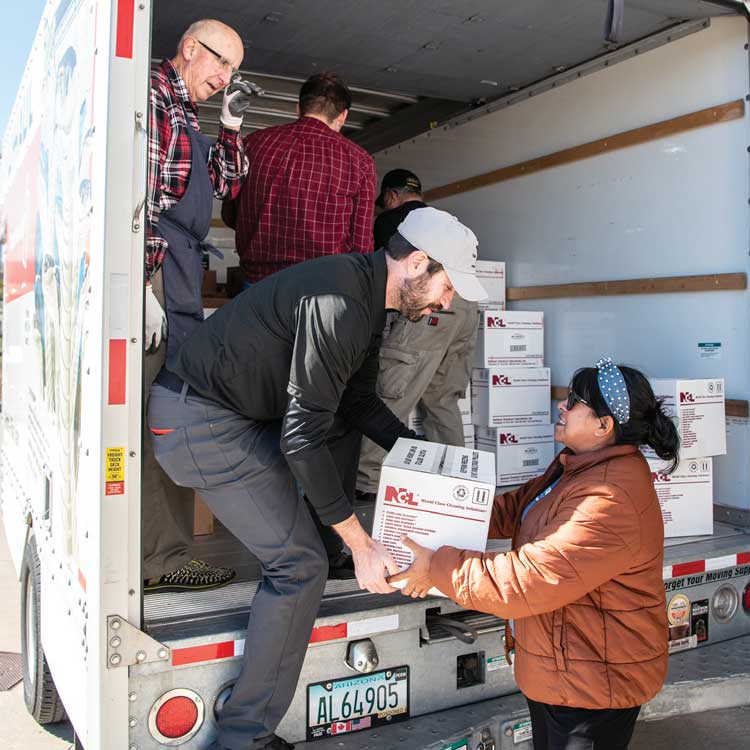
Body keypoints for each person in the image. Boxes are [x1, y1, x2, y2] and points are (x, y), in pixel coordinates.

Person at [147, 207, 487, 750]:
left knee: (334, 439)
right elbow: (300, 437)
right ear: (417, 262)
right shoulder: (342, 304)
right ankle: (245, 737)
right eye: (448, 285)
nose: (448, 301)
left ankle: (320, 545)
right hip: (198, 420)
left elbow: (356, 401)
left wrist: (423, 456)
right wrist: (361, 543)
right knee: (297, 565)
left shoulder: (369, 299)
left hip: (234, 416)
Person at [392, 359, 678, 750]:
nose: (562, 405)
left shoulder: (609, 498)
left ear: (604, 425)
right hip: (566, 673)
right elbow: (518, 509)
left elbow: (529, 580)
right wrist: (438, 511)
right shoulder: (577, 469)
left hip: (593, 688)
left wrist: (437, 567)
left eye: (575, 401)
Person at [142, 19, 253, 593]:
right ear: (189, 49)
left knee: (174, 415)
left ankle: (166, 554)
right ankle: (160, 561)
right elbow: (140, 199)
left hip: (178, 279)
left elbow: (227, 184)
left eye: (234, 71)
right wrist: (141, 284)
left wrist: (230, 121)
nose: (225, 76)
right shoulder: (156, 100)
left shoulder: (186, 112)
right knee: (159, 421)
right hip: (159, 274)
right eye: (221, 64)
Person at [357, 171, 478, 500]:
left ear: (391, 198)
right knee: (442, 398)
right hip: (465, 304)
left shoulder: (391, 222)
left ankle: (368, 481)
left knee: (393, 392)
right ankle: (454, 481)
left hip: (431, 300)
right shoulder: (442, 220)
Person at [221, 72, 377, 284]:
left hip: (257, 285)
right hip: (324, 286)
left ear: (298, 108)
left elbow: (230, 213)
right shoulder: (359, 161)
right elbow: (361, 245)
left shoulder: (253, 144)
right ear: (342, 116)